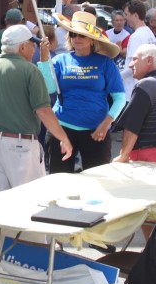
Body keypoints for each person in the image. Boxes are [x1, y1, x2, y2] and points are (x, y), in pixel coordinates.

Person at [0, 25, 73, 193]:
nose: (33, 49)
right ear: (22, 47)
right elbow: (43, 111)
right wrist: (63, 138)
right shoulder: (30, 71)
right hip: (20, 144)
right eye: (31, 44)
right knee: (30, 200)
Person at [38, 11, 126, 173]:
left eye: (82, 35)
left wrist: (106, 123)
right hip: (62, 128)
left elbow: (120, 97)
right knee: (59, 180)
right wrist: (44, 59)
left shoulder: (105, 63)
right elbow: (49, 88)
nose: (77, 38)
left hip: (96, 130)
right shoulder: (59, 60)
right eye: (73, 34)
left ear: (92, 39)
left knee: (99, 181)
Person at [113, 44, 156, 163]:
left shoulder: (144, 85)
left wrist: (123, 155)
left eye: (135, 59)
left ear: (149, 60)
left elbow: (132, 126)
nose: (130, 64)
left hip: (147, 157)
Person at [121, 0, 156, 99]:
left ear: (135, 15)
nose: (125, 18)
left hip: (132, 91)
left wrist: (117, 77)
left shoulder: (136, 37)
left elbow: (132, 67)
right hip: (147, 89)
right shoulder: (150, 34)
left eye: (127, 14)